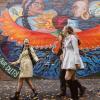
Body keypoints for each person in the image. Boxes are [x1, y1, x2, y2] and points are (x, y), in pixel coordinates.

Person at [57, 26, 86, 100]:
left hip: (72, 60)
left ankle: (75, 97)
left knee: (67, 78)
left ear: (67, 30)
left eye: (63, 29)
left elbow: (76, 50)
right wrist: (62, 56)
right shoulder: (66, 39)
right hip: (68, 60)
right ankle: (76, 96)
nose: (62, 30)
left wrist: (77, 62)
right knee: (73, 79)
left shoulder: (73, 38)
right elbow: (66, 50)